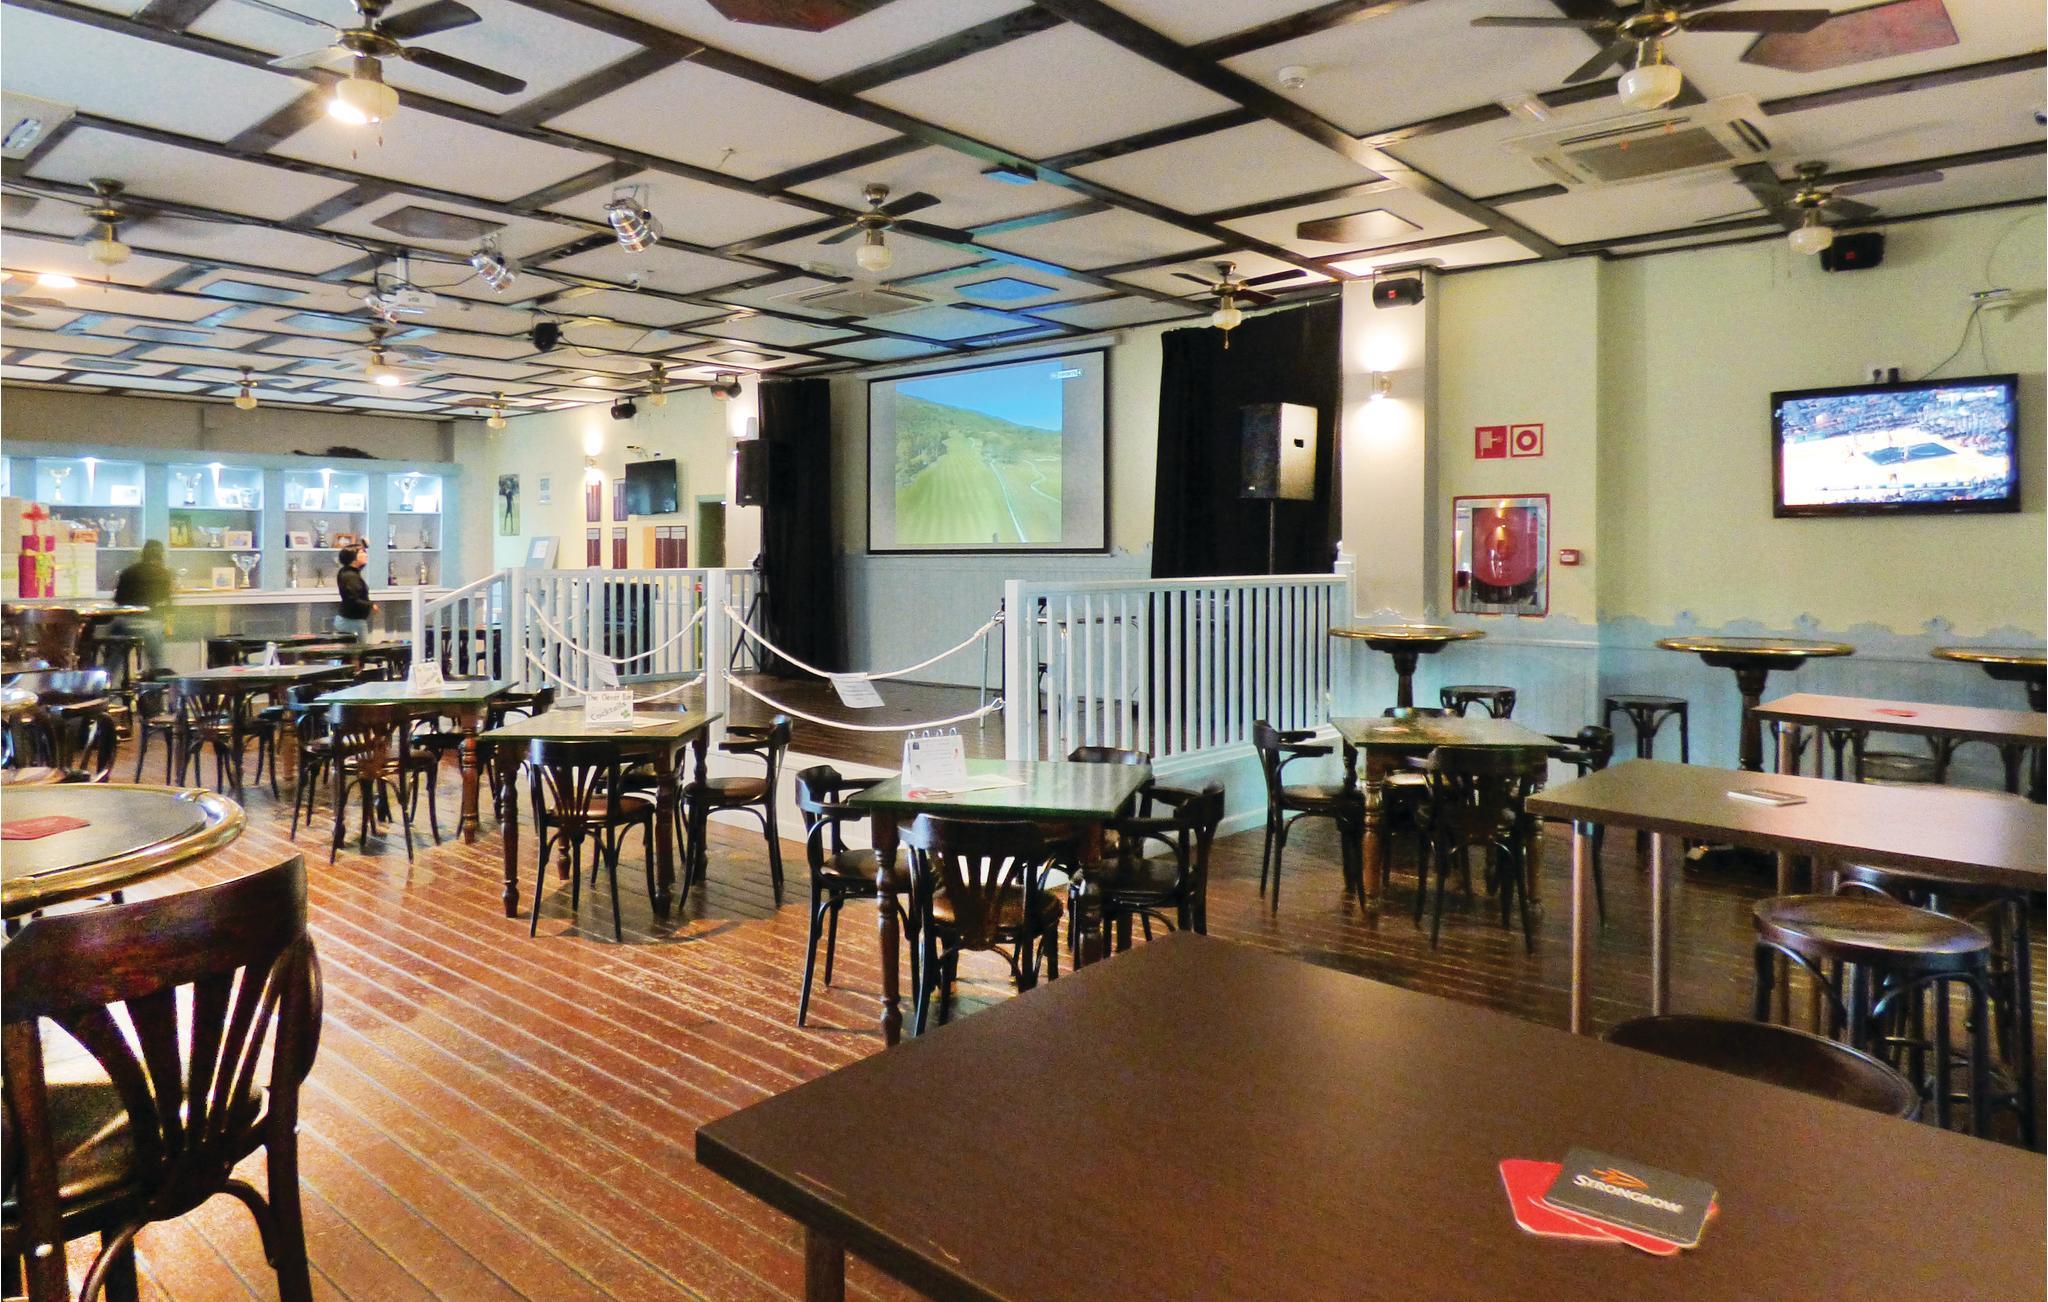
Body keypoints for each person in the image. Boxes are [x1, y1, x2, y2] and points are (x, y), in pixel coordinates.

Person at [110, 538, 174, 674]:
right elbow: (167, 604)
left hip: (124, 623)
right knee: (157, 661)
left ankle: (104, 682)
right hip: (150, 623)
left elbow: (118, 599)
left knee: (112, 662)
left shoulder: (128, 572)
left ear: (143, 553)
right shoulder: (164, 574)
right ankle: (157, 682)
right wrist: (168, 624)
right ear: (162, 555)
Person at [334, 543, 374, 639]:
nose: (366, 555)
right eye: (362, 552)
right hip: (351, 622)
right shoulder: (350, 576)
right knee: (359, 648)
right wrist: (371, 605)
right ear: (352, 557)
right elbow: (352, 599)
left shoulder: (349, 572)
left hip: (352, 620)